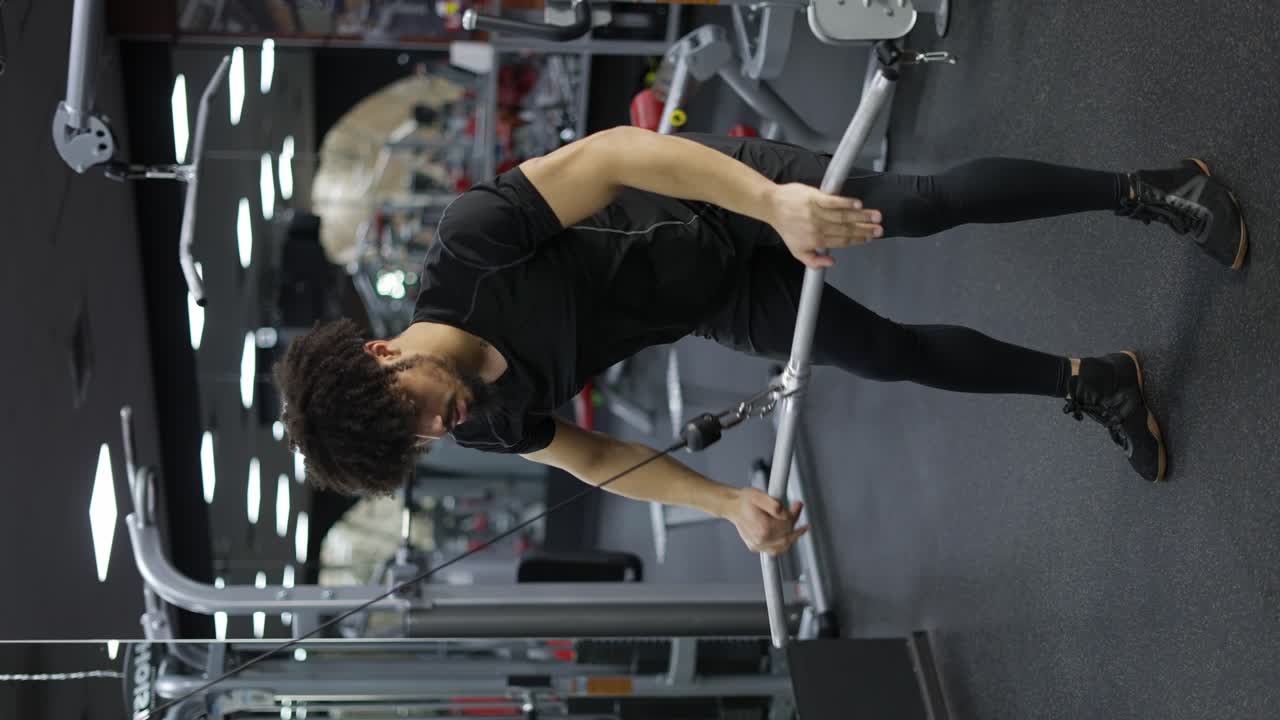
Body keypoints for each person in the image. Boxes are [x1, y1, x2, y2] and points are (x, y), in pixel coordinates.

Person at [273, 128, 1247, 558]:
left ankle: (1152, 189)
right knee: (882, 355)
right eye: (424, 440)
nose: (443, 424)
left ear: (381, 355)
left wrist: (774, 201)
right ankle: (1096, 384)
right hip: (711, 300)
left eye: (416, 410)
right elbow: (599, 461)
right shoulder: (485, 422)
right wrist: (724, 504)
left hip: (724, 196)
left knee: (908, 206)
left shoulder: (472, 244)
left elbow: (614, 155)